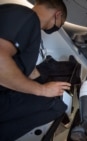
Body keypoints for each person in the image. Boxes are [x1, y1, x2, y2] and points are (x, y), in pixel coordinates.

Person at [0, 0, 70, 140]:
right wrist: (42, 90)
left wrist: (46, 84)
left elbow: (26, 69)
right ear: (58, 14)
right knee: (55, 106)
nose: (58, 27)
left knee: (54, 102)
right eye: (60, 23)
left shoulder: (28, 25)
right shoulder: (26, 17)